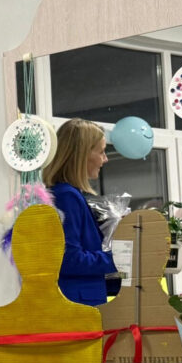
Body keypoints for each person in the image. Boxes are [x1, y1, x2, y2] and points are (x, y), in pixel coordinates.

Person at [42, 118, 117, 306]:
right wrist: (119, 258)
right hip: (77, 305)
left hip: (82, 300)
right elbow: (69, 260)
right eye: (101, 152)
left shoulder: (70, 195)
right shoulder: (66, 196)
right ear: (82, 155)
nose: (105, 159)